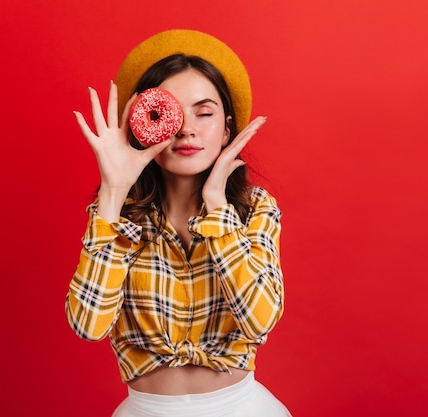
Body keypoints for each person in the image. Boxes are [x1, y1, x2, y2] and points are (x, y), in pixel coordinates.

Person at [65, 29, 291, 417]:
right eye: (170, 115)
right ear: (141, 126)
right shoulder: (115, 215)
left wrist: (217, 208)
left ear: (226, 129)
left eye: (204, 114)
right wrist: (114, 192)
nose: (187, 129)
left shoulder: (254, 210)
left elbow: (260, 320)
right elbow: (88, 324)